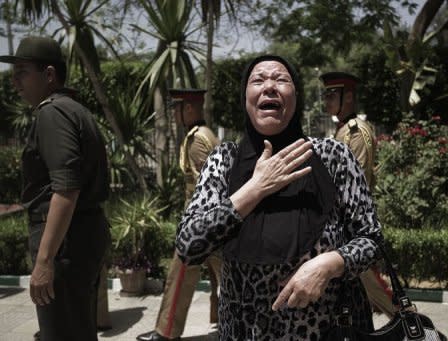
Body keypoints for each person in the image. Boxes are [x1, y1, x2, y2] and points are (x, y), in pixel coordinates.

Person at [175, 55, 383, 340]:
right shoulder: (223, 161)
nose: (269, 86)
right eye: (258, 80)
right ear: (245, 97)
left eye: (281, 79)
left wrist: (330, 264)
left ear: (295, 96)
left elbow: (372, 238)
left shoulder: (333, 156)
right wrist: (255, 188)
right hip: (243, 331)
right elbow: (189, 245)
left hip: (328, 329)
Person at [0, 36, 110, 341]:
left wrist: (45, 260)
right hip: (79, 237)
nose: (15, 82)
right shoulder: (74, 110)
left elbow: (66, 188)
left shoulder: (52, 113)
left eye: (22, 72)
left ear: (49, 75)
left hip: (65, 244)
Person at [137, 89, 222, 341]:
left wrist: (195, 224)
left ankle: (166, 333)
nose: (174, 114)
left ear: (188, 109)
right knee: (226, 277)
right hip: (213, 222)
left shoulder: (197, 139)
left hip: (201, 222)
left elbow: (204, 185)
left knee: (179, 276)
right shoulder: (204, 135)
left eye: (176, 108)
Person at [320, 71, 395, 319]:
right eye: (326, 94)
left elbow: (356, 182)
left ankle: (409, 322)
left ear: (348, 97)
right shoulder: (342, 130)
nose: (326, 100)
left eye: (332, 95)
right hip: (340, 223)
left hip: (353, 225)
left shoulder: (355, 132)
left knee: (377, 287)